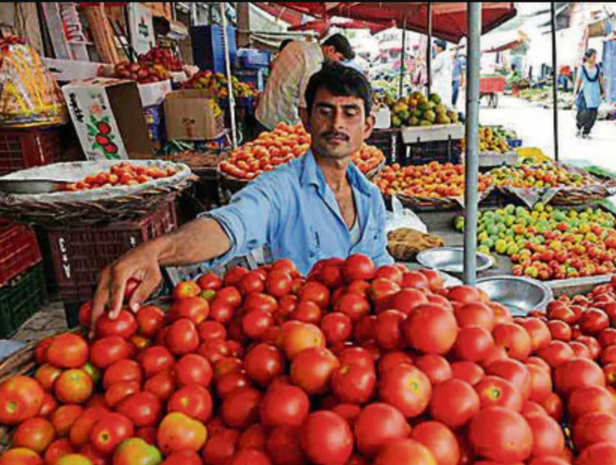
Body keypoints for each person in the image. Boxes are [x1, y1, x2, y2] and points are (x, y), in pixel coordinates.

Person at [90, 63, 394, 327]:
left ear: (367, 126)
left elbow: (382, 270)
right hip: (299, 337)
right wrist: (157, 251)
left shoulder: (370, 198)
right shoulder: (280, 188)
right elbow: (230, 225)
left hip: (361, 341)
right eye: (325, 111)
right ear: (305, 118)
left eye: (350, 113)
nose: (337, 124)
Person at [255, 34, 356, 135]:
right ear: (330, 50)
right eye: (340, 59)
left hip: (264, 113)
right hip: (280, 126)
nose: (339, 64)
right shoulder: (314, 62)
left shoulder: (295, 45)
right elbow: (304, 105)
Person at [573, 49, 606, 139]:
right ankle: (579, 128)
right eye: (593, 56)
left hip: (595, 93)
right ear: (588, 57)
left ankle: (586, 132)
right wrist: (575, 92)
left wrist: (604, 91)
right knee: (583, 113)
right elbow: (578, 81)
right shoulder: (583, 68)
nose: (595, 58)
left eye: (595, 56)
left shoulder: (598, 68)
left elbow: (601, 80)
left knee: (592, 114)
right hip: (585, 93)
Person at [430, 40, 454, 109]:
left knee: (439, 102)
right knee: (445, 102)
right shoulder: (447, 56)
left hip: (440, 83)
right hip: (445, 81)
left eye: (436, 46)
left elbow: (433, 67)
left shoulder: (440, 56)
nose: (434, 48)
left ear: (440, 48)